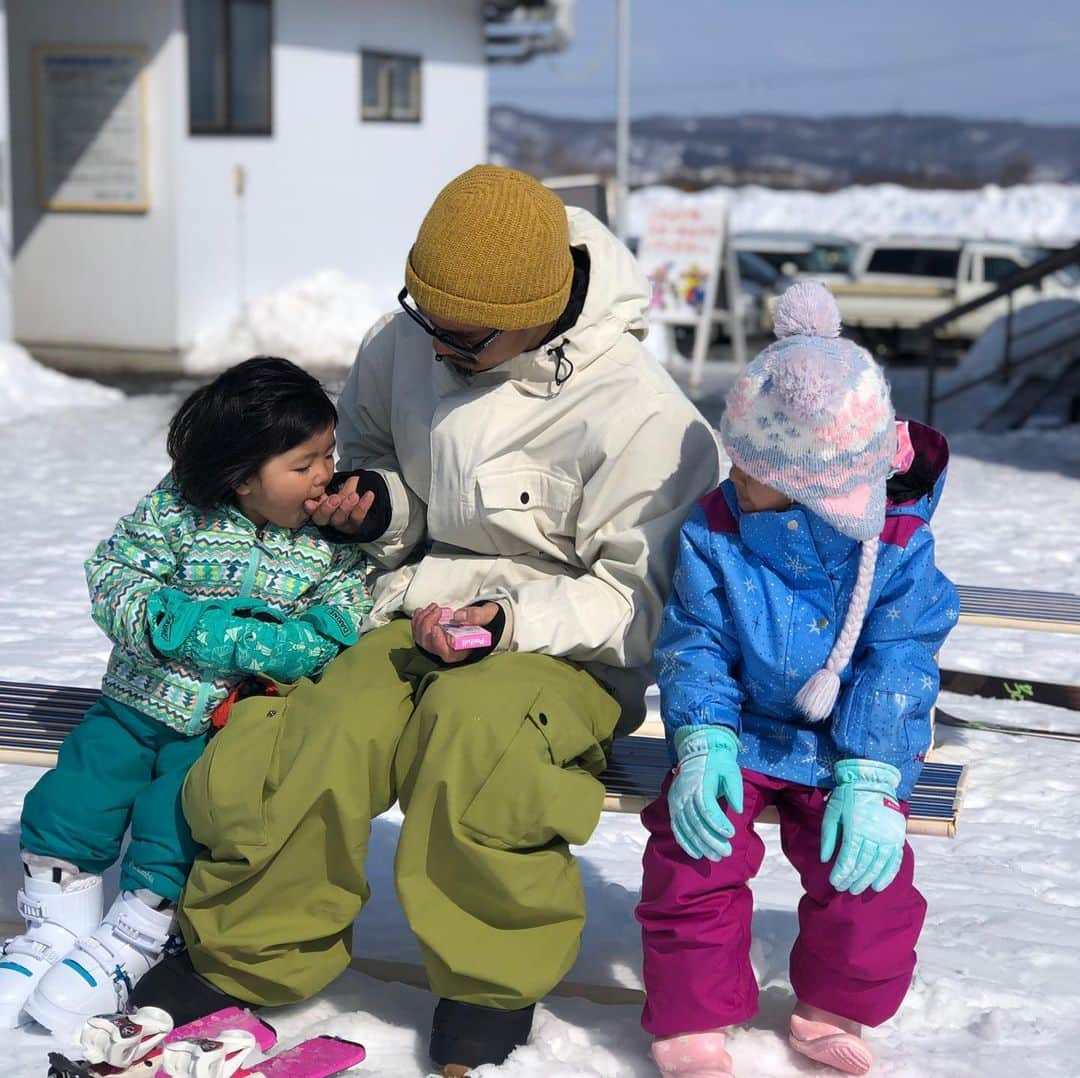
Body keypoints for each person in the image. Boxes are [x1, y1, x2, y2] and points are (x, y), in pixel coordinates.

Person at [129, 164, 721, 1075]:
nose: (438, 346)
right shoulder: (405, 343)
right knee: (316, 731)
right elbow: (372, 459)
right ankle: (244, 952)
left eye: (464, 334)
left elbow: (639, 602)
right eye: (425, 316)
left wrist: (507, 616)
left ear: (539, 307)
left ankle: (490, 979)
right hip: (408, 606)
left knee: (477, 743)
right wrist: (376, 509)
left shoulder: (646, 417)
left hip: (564, 649)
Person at [636, 282, 960, 1077]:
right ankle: (691, 1017)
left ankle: (829, 1008)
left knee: (869, 876)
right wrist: (704, 735)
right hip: (741, 729)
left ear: (815, 480)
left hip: (845, 744)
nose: (733, 475)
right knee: (695, 850)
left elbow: (902, 660)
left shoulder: (893, 547)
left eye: (752, 467)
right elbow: (696, 640)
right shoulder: (718, 528)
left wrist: (874, 770)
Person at [0, 357, 371, 1036]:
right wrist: (164, 622)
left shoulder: (328, 546)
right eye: (304, 462)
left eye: (329, 453)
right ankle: (56, 925)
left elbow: (344, 621)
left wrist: (265, 648)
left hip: (218, 726)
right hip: (134, 698)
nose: (325, 474)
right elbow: (113, 571)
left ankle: (136, 934)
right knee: (74, 796)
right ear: (241, 476)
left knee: (177, 821)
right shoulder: (178, 510)